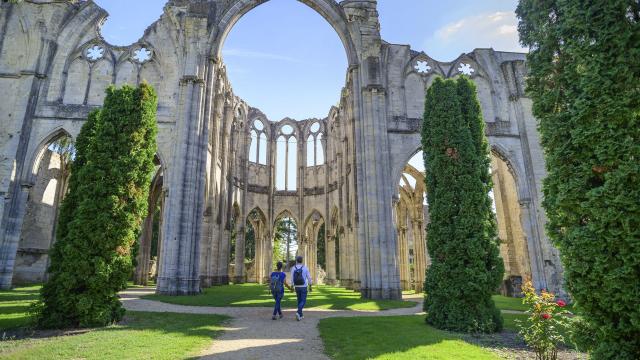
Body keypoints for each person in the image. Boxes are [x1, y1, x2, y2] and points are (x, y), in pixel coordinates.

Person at [290, 255, 312, 321]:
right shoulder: (305, 268)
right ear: (302, 261)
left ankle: (301, 315)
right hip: (303, 286)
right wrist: (310, 285)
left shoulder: (293, 268)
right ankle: (298, 312)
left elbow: (292, 278)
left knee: (299, 300)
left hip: (297, 286)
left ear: (296, 261)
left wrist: (292, 285)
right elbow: (309, 278)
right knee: (303, 300)